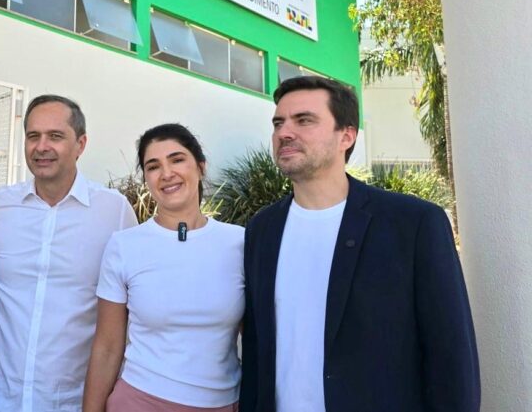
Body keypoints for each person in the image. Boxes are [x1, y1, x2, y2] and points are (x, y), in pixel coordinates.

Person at [239, 76, 480, 412]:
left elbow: (451, 353)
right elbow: (256, 348)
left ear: (347, 136)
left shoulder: (413, 224)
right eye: (278, 123)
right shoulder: (262, 229)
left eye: (304, 120)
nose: (285, 132)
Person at [0, 95, 138, 412]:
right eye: (33, 136)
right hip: (1, 400)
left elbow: (134, 301)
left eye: (55, 136)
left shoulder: (114, 210)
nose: (42, 147)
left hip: (73, 402)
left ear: (81, 144)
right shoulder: (1, 206)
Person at [83, 123, 244, 412]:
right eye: (153, 166)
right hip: (139, 401)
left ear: (201, 167)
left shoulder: (240, 243)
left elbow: (257, 338)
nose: (166, 173)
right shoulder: (124, 246)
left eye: (177, 159)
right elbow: (107, 347)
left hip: (222, 403)